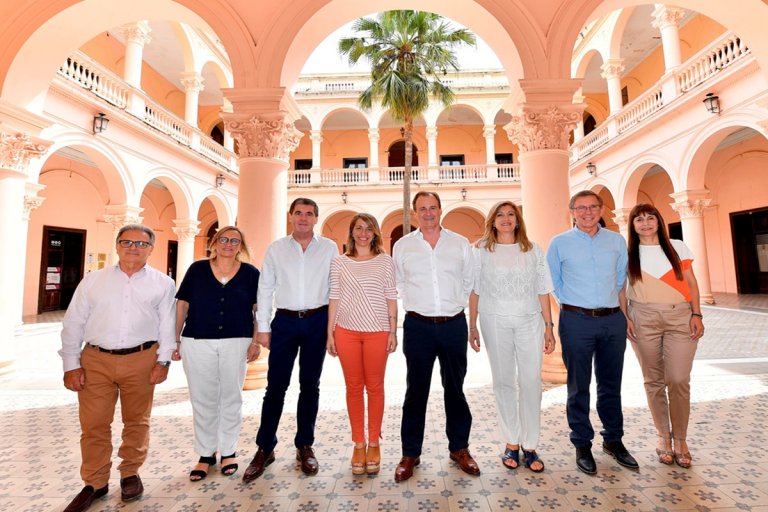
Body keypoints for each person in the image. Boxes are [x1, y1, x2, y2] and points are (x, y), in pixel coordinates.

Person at [59, 224, 175, 512]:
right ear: (117, 245)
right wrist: (71, 364)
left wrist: (163, 361)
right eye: (127, 242)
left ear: (151, 248)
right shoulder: (93, 281)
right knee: (94, 424)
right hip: (96, 360)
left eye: (141, 243)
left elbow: (167, 325)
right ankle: (95, 482)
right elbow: (73, 323)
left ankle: (130, 473)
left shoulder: (163, 283)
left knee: (137, 420)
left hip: (142, 358)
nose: (133, 247)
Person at [242, 198, 338, 482]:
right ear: (290, 216)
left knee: (310, 386)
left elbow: (336, 288)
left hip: (317, 321)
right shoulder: (277, 248)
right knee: (276, 387)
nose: (303, 218)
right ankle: (265, 447)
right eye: (298, 213)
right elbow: (265, 288)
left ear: (316, 218)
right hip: (284, 322)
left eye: (309, 213)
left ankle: (304, 445)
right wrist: (263, 327)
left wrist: (332, 328)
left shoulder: (329, 248)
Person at [546, 190, 638, 475]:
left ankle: (613, 440)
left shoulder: (616, 241)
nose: (587, 212)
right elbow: (553, 282)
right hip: (576, 321)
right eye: (581, 208)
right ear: (572, 212)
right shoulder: (559, 243)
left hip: (612, 319)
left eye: (593, 207)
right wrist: (574, 306)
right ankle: (582, 443)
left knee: (611, 384)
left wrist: (622, 315)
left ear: (601, 210)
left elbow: (621, 280)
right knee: (578, 386)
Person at [392, 191, 478, 482]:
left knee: (455, 389)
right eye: (422, 209)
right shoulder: (403, 246)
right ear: (415, 212)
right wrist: (418, 304)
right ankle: (410, 453)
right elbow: (399, 283)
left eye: (432, 207)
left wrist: (454, 303)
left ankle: (459, 448)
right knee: (415, 391)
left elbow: (469, 280)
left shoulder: (460, 243)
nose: (428, 213)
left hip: (453, 324)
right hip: (418, 327)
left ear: (440, 210)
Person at [468, 201, 555, 473]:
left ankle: (530, 444)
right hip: (494, 321)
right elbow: (474, 290)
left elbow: (543, 289)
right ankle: (511, 442)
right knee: (504, 382)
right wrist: (472, 325)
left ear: (518, 220)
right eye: (500, 215)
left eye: (510, 214)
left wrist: (549, 326)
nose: (505, 219)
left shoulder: (533, 250)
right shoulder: (480, 251)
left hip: (529, 320)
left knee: (531, 381)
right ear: (492, 221)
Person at [174, 226, 261, 481]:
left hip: (237, 340)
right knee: (202, 398)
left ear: (241, 246)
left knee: (231, 396)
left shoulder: (250, 273)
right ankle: (205, 454)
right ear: (214, 242)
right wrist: (174, 339)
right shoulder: (197, 269)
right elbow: (182, 305)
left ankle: (229, 451)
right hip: (197, 340)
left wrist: (255, 341)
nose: (228, 244)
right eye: (223, 239)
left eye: (235, 240)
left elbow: (259, 309)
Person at [626, 203, 704, 469]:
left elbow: (691, 282)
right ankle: (664, 437)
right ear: (633, 225)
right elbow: (620, 289)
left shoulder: (677, 247)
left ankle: (681, 438)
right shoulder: (628, 254)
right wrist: (626, 318)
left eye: (650, 218)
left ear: (659, 221)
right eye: (639, 219)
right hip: (642, 318)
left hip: (679, 317)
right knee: (653, 380)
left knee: (679, 379)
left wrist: (697, 314)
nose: (645, 223)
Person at [326, 213, 398, 475]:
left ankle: (374, 442)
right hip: (346, 332)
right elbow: (334, 297)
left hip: (378, 331)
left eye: (368, 228)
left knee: (375, 387)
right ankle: (358, 443)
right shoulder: (339, 262)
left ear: (375, 232)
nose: (363, 233)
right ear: (352, 232)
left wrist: (393, 331)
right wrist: (330, 333)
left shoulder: (385, 261)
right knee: (354, 387)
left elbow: (391, 297)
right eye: (358, 228)